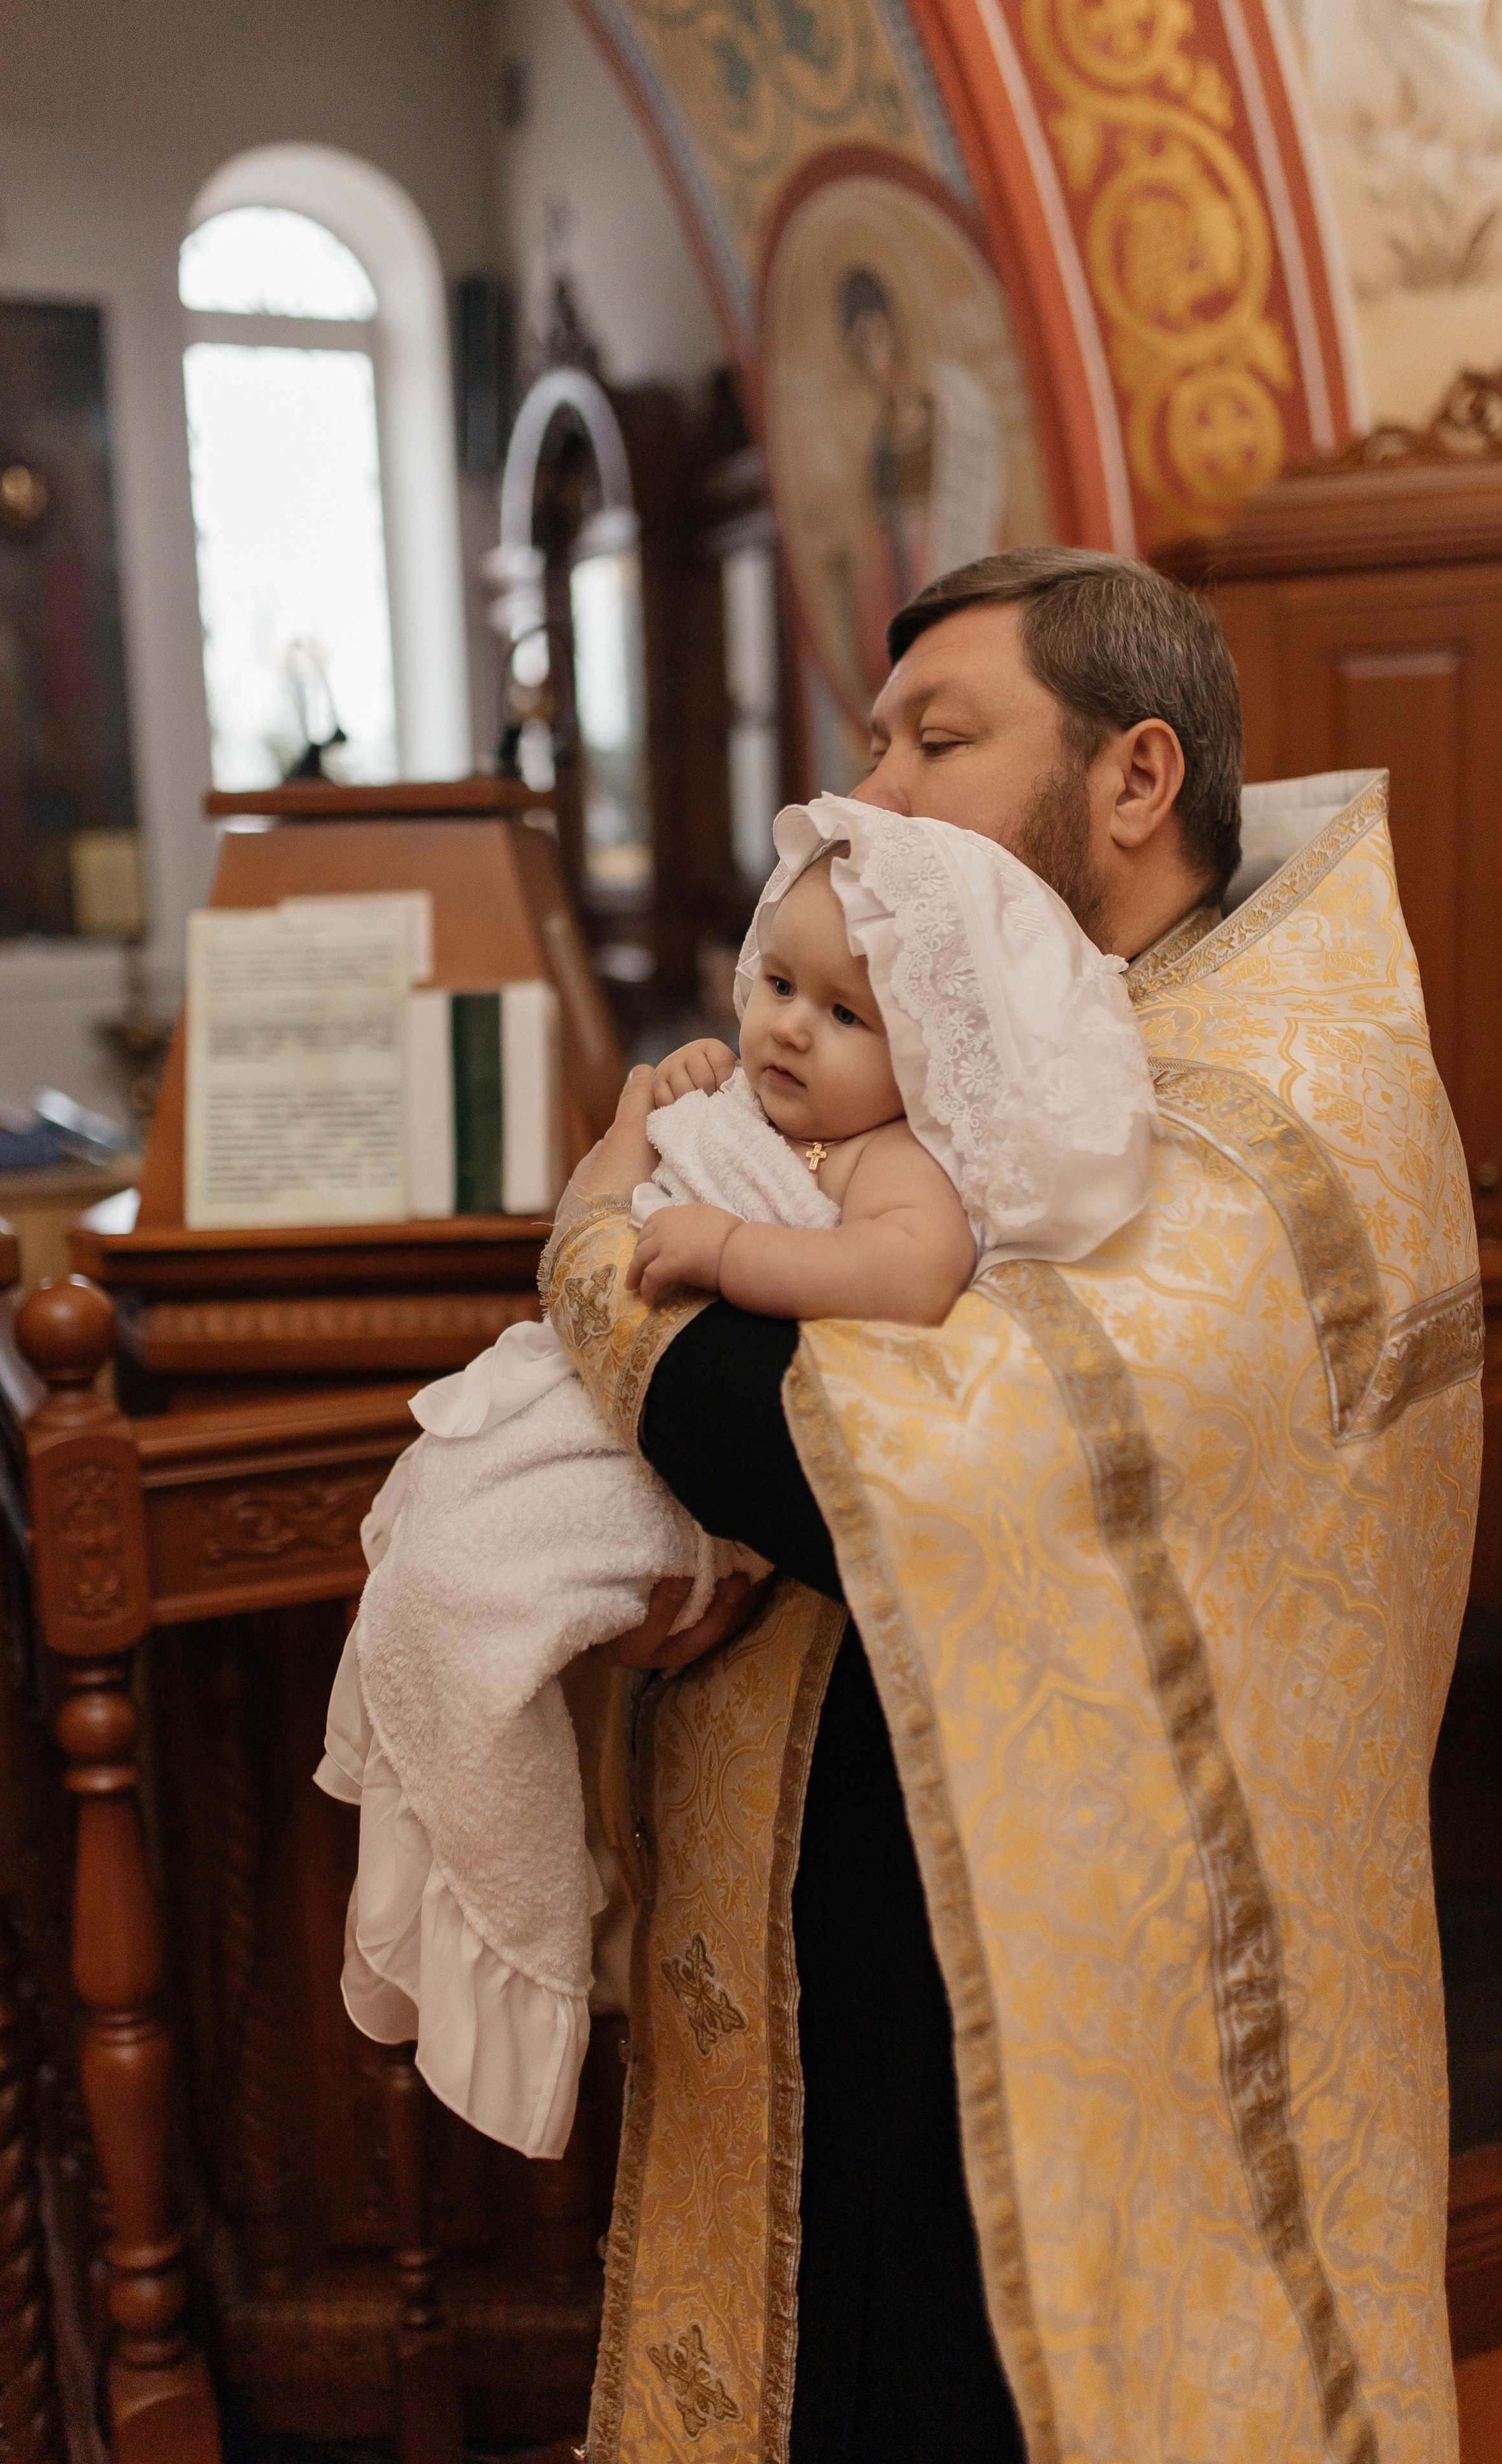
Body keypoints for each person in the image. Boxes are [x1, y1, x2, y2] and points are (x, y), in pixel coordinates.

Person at [547, 547, 1481, 2464]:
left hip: (1115, 2061)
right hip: (927, 1940)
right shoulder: (1012, 1026)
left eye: (937, 741)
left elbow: (840, 1451)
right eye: (872, 738)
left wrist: (594, 1243)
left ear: (1137, 781)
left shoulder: (1265, 1093)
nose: (868, 797)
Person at [317, 792, 1154, 2164]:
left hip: (667, 1474)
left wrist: (723, 1249)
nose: (784, 1029)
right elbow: (590, 1219)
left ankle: (513, 1936)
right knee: (427, 1562)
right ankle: (463, 1849)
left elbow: (902, 1276)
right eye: (775, 984)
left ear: (930, 1052)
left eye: (841, 1016)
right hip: (580, 1398)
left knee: (471, 1595)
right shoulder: (746, 1108)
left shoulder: (900, 1164)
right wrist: (642, 1122)